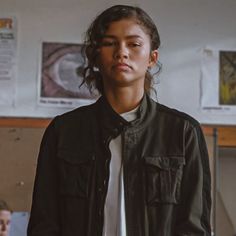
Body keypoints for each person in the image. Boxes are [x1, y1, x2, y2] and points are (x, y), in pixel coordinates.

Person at [27, 4, 211, 236]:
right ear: (95, 55)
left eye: (133, 44)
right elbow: (44, 224)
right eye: (110, 43)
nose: (121, 52)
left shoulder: (182, 132)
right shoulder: (64, 131)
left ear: (152, 58)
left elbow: (194, 228)